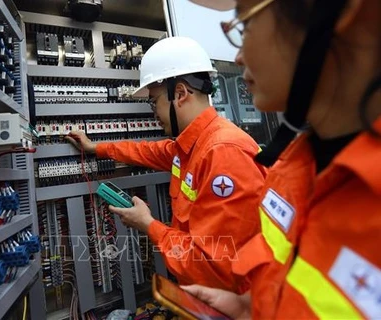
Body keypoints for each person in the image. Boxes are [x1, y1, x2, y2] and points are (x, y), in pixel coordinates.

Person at [180, 0, 381, 319]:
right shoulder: (290, 171)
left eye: (244, 25)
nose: (238, 56)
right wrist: (251, 308)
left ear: (343, 11)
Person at [66, 36, 267, 292]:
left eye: (153, 101)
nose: (154, 112)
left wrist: (148, 225)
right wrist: (95, 147)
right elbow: (144, 151)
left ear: (180, 94)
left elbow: (214, 266)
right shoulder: (189, 147)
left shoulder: (223, 152)